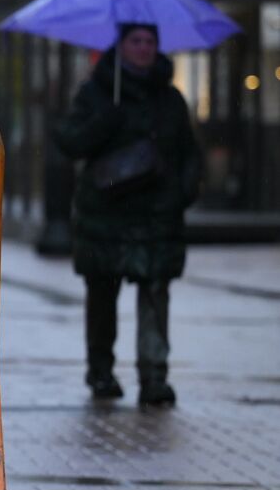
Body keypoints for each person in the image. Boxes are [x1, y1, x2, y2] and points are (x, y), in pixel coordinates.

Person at [53, 23, 201, 407]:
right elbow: (69, 141)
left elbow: (188, 152)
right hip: (106, 215)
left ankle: (154, 377)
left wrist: (183, 192)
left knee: (155, 294)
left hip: (157, 216)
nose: (144, 48)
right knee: (103, 296)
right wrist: (107, 121)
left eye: (150, 41)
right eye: (136, 41)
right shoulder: (96, 93)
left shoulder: (170, 99)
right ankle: (100, 371)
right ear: (120, 47)